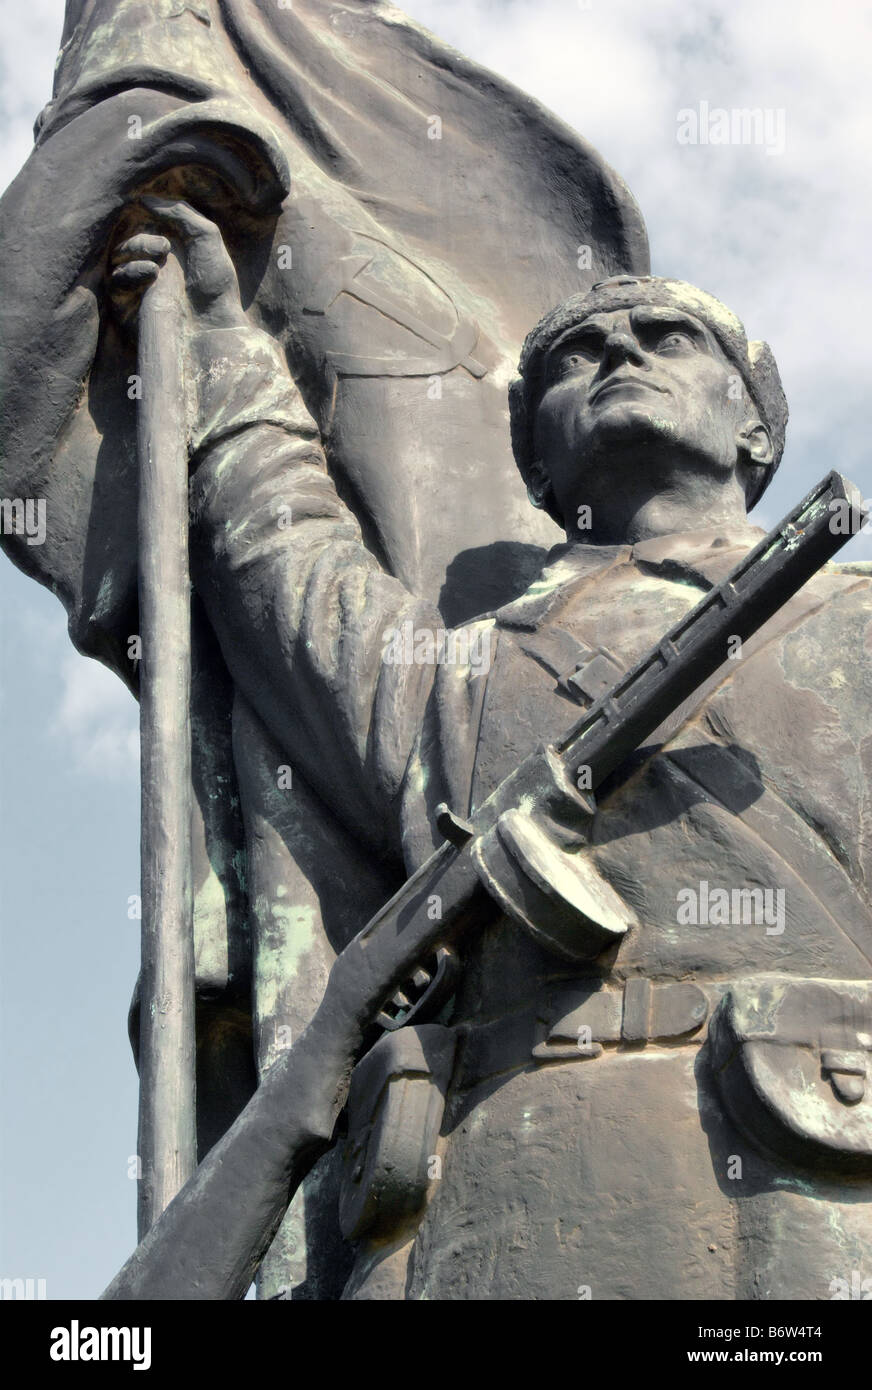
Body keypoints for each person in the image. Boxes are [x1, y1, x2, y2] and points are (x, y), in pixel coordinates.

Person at [109, 202, 872, 1300]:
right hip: (500, 1196)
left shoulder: (851, 619)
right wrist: (225, 336)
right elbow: (287, 568)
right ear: (536, 462)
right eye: (573, 357)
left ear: (753, 426)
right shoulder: (458, 673)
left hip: (809, 1180)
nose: (615, 354)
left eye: (666, 338)